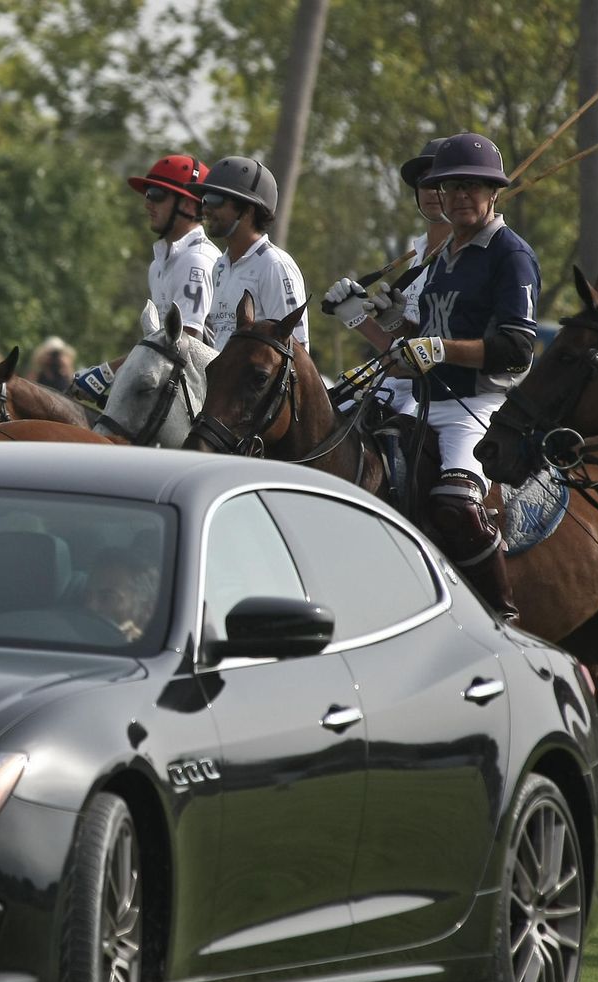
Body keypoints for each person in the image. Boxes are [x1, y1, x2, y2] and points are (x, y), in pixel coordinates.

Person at [329, 132, 538, 621]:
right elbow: (421, 341)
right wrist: (372, 317)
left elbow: (514, 349)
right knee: (366, 478)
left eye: (473, 186)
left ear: (493, 194)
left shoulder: (511, 255)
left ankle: (500, 613)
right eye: (451, 186)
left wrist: (435, 347)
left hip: (478, 407)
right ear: (437, 195)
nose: (461, 195)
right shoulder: (443, 258)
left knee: (455, 503)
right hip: (423, 404)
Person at [73, 154, 216, 409]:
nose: (148, 203)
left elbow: (184, 345)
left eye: (157, 195)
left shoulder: (196, 260)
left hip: (203, 400)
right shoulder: (160, 264)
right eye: (147, 194)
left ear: (189, 204)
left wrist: (106, 373)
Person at [327, 138, 450, 347]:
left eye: (441, 182)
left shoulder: (469, 255)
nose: (431, 190)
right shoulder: (420, 252)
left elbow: (423, 358)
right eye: (424, 181)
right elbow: (402, 352)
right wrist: (356, 316)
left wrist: (360, 318)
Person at [193, 156, 309, 352]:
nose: (206, 209)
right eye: (204, 200)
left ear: (247, 210)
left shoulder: (274, 266)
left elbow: (296, 349)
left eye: (215, 200)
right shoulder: (220, 266)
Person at [82, 549, 159, 642]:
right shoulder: (70, 640)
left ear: (146, 609)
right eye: (87, 596)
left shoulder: (157, 654)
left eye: (107, 598)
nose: (90, 607)